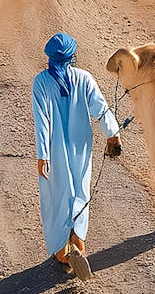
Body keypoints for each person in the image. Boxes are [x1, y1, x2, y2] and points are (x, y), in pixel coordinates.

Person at [33, 32, 123, 279]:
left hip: (53, 149)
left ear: (49, 57)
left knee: (57, 195)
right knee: (80, 192)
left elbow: (42, 121)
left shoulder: (41, 82)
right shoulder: (84, 78)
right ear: (73, 55)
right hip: (81, 145)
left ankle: (62, 250)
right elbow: (100, 108)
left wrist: (43, 156)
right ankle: (78, 242)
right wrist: (112, 134)